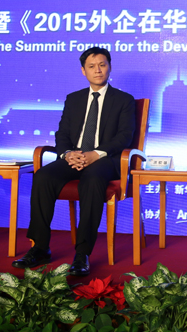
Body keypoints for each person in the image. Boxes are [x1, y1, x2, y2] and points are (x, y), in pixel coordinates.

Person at [13, 47, 135, 277]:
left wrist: (96, 154)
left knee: (92, 179)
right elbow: (62, 134)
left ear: (110, 67)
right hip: (75, 157)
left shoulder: (123, 100)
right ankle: (40, 247)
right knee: (43, 176)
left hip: (105, 160)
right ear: (83, 71)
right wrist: (68, 154)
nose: (98, 70)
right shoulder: (74, 99)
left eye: (102, 65)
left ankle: (82, 253)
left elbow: (124, 137)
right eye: (92, 66)